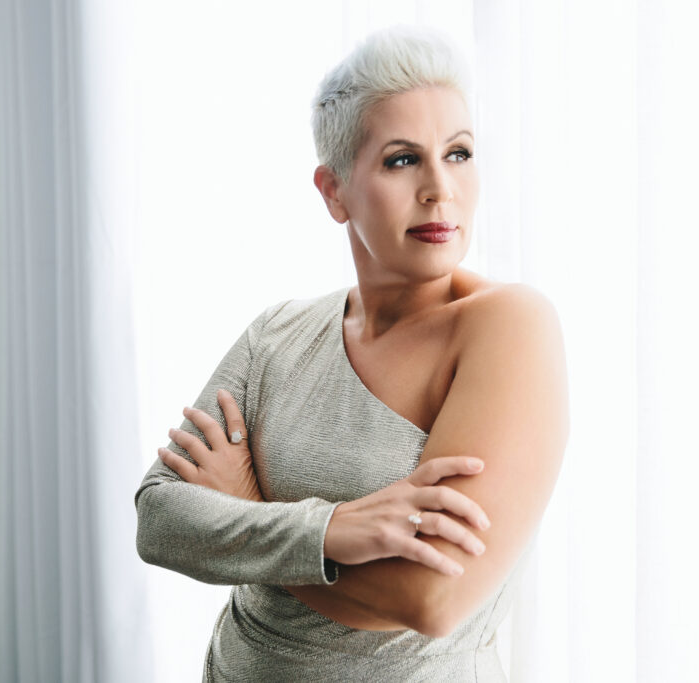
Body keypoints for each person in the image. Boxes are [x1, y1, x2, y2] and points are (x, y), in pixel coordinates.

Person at [135, 25, 569, 682]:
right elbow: (161, 517)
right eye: (402, 159)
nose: (439, 188)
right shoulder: (277, 334)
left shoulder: (509, 326)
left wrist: (249, 513)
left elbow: (429, 596)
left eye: (458, 153)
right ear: (334, 191)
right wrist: (334, 532)